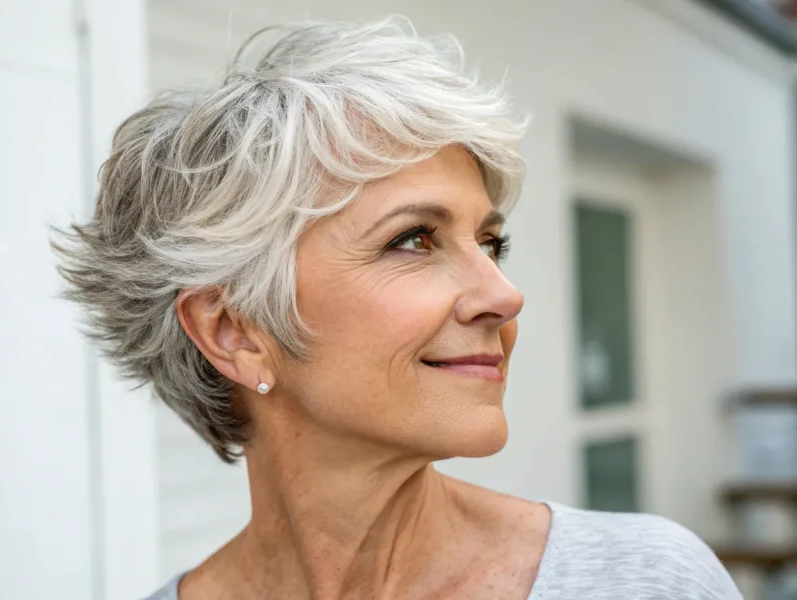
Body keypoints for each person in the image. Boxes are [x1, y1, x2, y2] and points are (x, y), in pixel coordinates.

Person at [54, 17, 742, 600]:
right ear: (233, 331)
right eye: (413, 239)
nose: (504, 296)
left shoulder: (647, 582)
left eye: (489, 241)